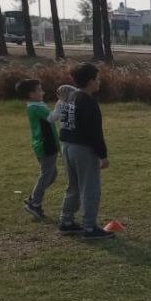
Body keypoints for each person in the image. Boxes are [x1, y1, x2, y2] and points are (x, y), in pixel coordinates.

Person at [58, 63, 113, 239]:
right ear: (90, 81)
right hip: (82, 148)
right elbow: (94, 132)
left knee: (73, 185)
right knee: (90, 187)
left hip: (67, 145)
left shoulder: (70, 97)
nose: (99, 81)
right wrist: (102, 155)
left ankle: (66, 221)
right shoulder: (88, 101)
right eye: (97, 78)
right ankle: (89, 227)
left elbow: (64, 122)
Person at [16, 79, 59, 219]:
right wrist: (63, 103)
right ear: (31, 94)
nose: (43, 92)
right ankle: (34, 203)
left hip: (44, 145)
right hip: (45, 146)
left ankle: (33, 198)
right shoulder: (36, 108)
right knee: (47, 174)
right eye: (39, 90)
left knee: (52, 174)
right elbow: (52, 118)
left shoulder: (36, 105)